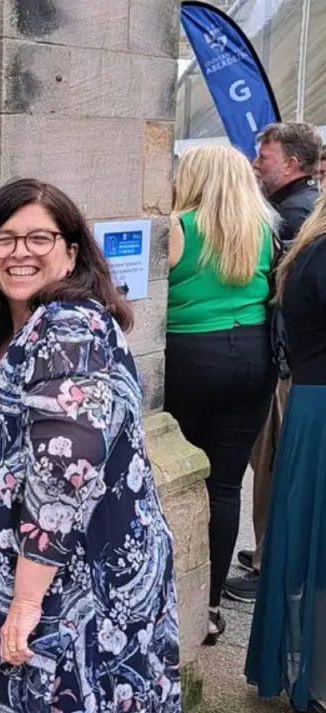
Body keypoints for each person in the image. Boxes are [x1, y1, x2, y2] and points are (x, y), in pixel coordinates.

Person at [0, 179, 180, 713]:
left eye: (39, 239)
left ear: (72, 252)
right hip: (46, 593)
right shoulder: (17, 333)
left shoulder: (68, 327)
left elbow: (63, 474)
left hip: (67, 601)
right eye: (3, 239)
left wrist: (25, 603)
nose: (19, 252)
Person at [162, 145, 276, 635]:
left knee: (173, 474)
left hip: (190, 355)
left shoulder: (179, 227)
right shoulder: (264, 228)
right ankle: (208, 609)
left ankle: (172, 599)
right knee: (225, 486)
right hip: (254, 356)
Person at [246, 192, 326, 713]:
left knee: (308, 544)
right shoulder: (319, 253)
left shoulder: (311, 248)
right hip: (320, 411)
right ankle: (314, 683)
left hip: (313, 407)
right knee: (312, 547)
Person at [238, 125, 323, 598]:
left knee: (277, 467)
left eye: (264, 156)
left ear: (291, 163)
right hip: (298, 368)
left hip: (293, 372)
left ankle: (270, 562)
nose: (256, 163)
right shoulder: (301, 211)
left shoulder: (294, 219)